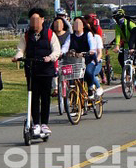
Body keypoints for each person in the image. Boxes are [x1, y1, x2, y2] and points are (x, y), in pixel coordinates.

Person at [13, 8, 61, 136]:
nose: (34, 23)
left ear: (42, 20)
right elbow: (21, 49)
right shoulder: (26, 35)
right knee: (33, 97)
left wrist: (50, 57)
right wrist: (18, 56)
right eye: (32, 20)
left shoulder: (50, 34)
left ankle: (44, 123)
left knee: (45, 97)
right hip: (31, 69)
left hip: (46, 70)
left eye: (37, 20)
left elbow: (56, 50)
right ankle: (36, 123)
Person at [69, 17, 102, 96]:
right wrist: (62, 52)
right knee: (70, 73)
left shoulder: (90, 35)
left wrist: (91, 52)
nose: (76, 25)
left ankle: (93, 88)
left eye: (79, 24)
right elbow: (65, 46)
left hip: (89, 60)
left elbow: (93, 47)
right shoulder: (71, 36)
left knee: (88, 72)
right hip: (77, 61)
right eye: (75, 23)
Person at [51, 16, 71, 96]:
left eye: (60, 24)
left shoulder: (68, 34)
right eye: (56, 24)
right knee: (54, 72)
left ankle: (68, 86)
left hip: (66, 58)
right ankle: (55, 88)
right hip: (55, 57)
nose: (58, 26)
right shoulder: (51, 35)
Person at [87, 16, 105, 94]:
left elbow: (100, 53)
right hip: (84, 63)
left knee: (90, 73)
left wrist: (95, 61)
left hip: (95, 62)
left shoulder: (97, 37)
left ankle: (98, 87)